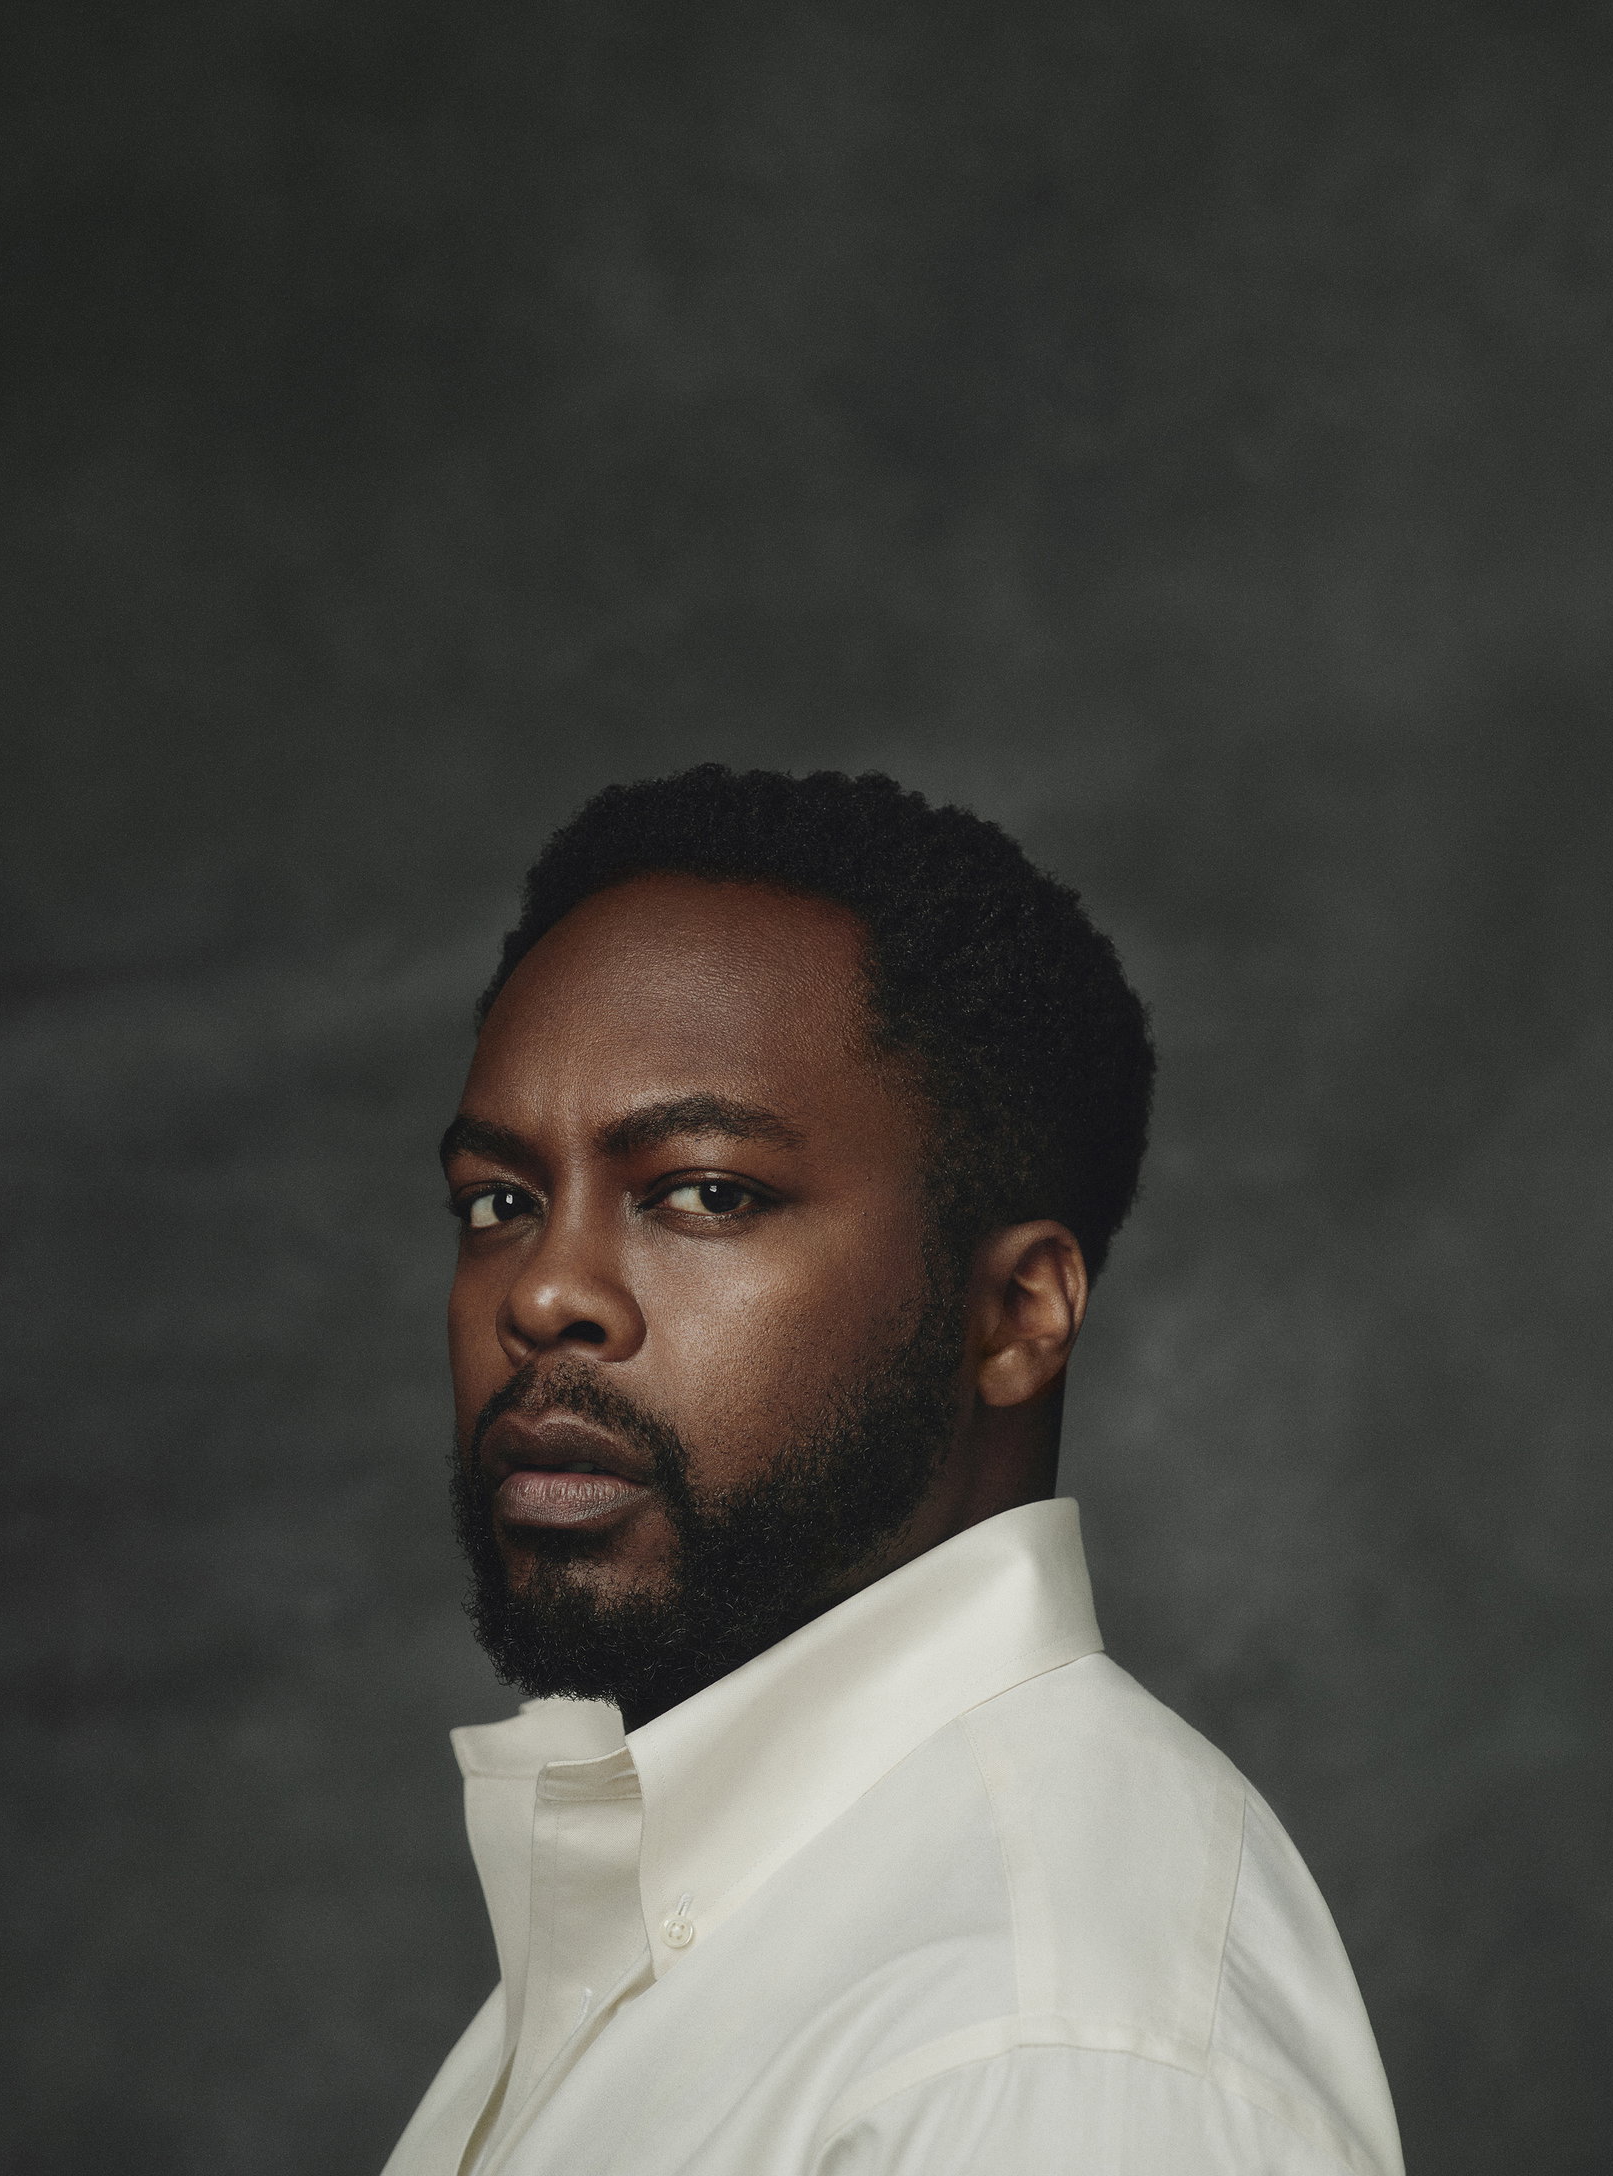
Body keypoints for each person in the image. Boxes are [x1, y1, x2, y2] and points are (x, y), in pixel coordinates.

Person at [380, 766, 1402, 2175]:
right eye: (499, 1201)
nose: (545, 1293)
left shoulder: (1044, 2057)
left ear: (1017, 1317)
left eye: (706, 1193)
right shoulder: (695, 1910)